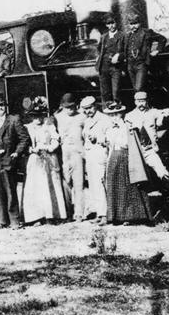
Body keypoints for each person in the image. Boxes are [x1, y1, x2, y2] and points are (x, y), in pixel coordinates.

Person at [0, 92, 30, 228]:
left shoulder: (14, 120)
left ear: (5, 106)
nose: (0, 108)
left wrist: (16, 152)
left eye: (2, 105)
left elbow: (24, 139)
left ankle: (14, 220)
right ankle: (2, 220)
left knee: (10, 189)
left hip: (8, 160)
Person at [102, 101, 151, 225]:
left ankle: (131, 216)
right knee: (114, 186)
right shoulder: (109, 129)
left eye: (116, 115)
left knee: (127, 187)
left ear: (121, 114)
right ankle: (116, 216)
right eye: (111, 115)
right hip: (113, 157)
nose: (113, 118)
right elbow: (109, 144)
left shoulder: (128, 127)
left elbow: (128, 143)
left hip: (125, 156)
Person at [22, 98, 66, 225]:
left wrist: (48, 148)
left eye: (40, 116)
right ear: (30, 117)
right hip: (35, 159)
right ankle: (36, 216)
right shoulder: (27, 128)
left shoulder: (49, 125)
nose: (38, 119)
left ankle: (52, 215)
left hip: (49, 157)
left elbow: (56, 140)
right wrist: (30, 149)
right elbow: (23, 143)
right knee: (36, 187)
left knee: (51, 184)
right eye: (35, 117)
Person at [124, 91, 169, 180]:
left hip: (150, 149)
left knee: (162, 172)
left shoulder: (153, 112)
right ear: (135, 102)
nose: (141, 104)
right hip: (137, 150)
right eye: (138, 101)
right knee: (137, 175)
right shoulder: (129, 116)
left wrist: (162, 116)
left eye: (143, 101)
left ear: (147, 101)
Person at [54, 93, 86, 221]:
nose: (70, 109)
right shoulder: (57, 117)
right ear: (62, 106)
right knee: (65, 182)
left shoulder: (82, 117)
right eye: (67, 107)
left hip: (77, 152)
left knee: (79, 183)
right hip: (63, 153)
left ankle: (79, 212)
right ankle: (67, 211)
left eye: (72, 106)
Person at [81, 96, 109, 221]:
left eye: (90, 108)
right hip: (90, 157)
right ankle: (99, 212)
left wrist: (98, 139)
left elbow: (109, 138)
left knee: (101, 184)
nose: (88, 111)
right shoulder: (87, 121)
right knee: (93, 185)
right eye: (85, 109)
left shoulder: (104, 119)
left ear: (95, 106)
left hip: (100, 154)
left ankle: (105, 213)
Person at [124, 17, 166, 92]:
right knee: (135, 89)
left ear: (139, 23)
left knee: (139, 88)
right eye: (131, 24)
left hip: (141, 64)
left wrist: (157, 50)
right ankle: (141, 103)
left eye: (135, 23)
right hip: (130, 65)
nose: (133, 26)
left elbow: (162, 39)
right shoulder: (128, 35)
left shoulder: (147, 32)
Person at [98, 15, 125, 106]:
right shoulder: (103, 37)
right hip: (104, 67)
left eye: (113, 23)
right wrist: (99, 57)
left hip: (116, 67)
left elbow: (126, 50)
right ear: (106, 25)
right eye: (109, 24)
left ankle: (118, 108)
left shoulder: (122, 35)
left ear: (116, 23)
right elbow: (99, 49)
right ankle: (107, 109)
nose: (111, 26)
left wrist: (119, 55)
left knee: (116, 90)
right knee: (105, 91)